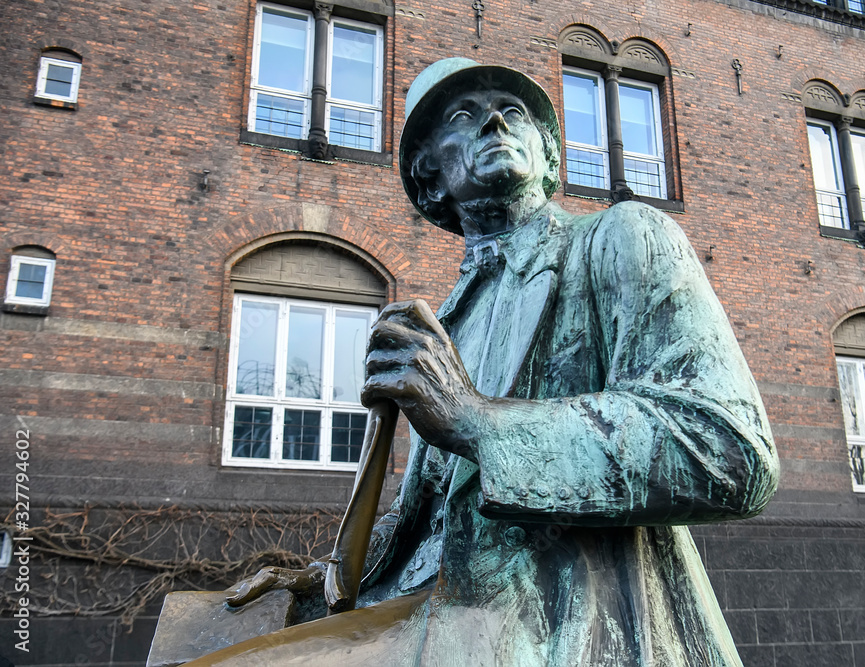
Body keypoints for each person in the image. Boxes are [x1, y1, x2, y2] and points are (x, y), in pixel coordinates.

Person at [193, 58, 779, 666]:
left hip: (565, 630)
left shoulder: (623, 238)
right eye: (463, 116)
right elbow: (430, 515)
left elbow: (731, 447)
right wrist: (327, 583)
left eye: (515, 111)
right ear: (431, 179)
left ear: (549, 158)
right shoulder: (444, 322)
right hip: (434, 616)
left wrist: (477, 420)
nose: (496, 119)